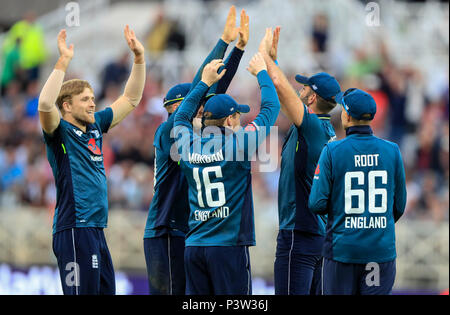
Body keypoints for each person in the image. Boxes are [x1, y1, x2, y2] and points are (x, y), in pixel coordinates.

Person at [143, 6, 249, 295]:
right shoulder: (170, 131)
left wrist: (237, 49)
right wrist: (223, 42)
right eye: (196, 103)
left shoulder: (189, 132)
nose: (203, 108)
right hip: (165, 230)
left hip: (184, 230)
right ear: (178, 106)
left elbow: (214, 91)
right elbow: (203, 87)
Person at [38, 26, 145, 295]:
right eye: (84, 99)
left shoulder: (96, 125)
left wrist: (139, 59)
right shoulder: (58, 131)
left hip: (96, 229)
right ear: (67, 106)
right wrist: (62, 62)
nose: (91, 104)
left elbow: (130, 99)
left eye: (92, 99)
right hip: (75, 228)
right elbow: (44, 105)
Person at [173, 42, 280, 295]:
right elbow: (271, 108)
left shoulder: (188, 145)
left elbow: (180, 116)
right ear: (231, 119)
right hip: (228, 247)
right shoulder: (239, 143)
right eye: (238, 116)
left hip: (194, 246)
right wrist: (262, 72)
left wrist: (203, 83)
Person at [259, 28, 341, 295]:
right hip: (316, 236)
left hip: (298, 234)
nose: (300, 90)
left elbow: (282, 90)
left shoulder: (312, 126)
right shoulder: (324, 130)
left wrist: (266, 62)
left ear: (313, 98)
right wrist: (274, 59)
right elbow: (285, 95)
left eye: (304, 87)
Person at [308, 88, 407, 295]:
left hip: (342, 250)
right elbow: (398, 206)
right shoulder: (392, 151)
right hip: (380, 251)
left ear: (348, 115)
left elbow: (316, 203)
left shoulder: (332, 151)